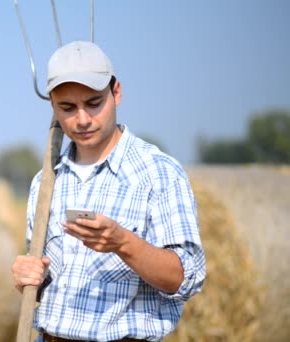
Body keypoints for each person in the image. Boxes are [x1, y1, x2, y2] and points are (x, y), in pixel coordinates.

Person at [11, 41, 206, 342]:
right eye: (67, 108)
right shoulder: (46, 182)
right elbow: (48, 281)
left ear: (116, 93)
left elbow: (184, 279)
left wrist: (122, 243)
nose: (83, 119)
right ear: (52, 105)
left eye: (93, 103)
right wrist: (29, 276)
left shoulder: (159, 173)